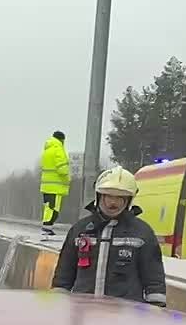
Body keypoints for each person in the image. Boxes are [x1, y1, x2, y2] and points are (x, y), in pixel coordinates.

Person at [51, 166, 168, 306]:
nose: (113, 203)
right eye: (109, 196)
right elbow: (63, 277)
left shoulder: (142, 234)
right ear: (99, 196)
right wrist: (57, 308)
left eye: (119, 198)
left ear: (129, 200)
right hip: (83, 315)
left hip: (125, 319)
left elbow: (154, 280)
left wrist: (156, 313)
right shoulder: (79, 230)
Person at [39, 130, 71, 236]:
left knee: (48, 207)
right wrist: (68, 176)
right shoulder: (58, 150)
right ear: (62, 139)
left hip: (46, 185)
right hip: (56, 185)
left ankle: (46, 226)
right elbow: (62, 169)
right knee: (54, 208)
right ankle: (47, 227)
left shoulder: (47, 150)